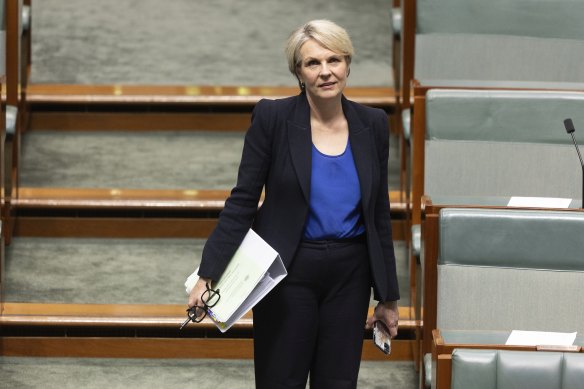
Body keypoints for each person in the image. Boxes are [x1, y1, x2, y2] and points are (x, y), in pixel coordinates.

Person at [188, 19, 399, 389]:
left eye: (334, 60)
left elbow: (378, 215)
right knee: (279, 380)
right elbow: (243, 200)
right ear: (298, 73)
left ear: (348, 64)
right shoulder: (273, 118)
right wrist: (208, 274)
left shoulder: (373, 125)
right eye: (312, 63)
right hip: (288, 271)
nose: (326, 72)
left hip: (350, 277)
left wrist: (387, 296)